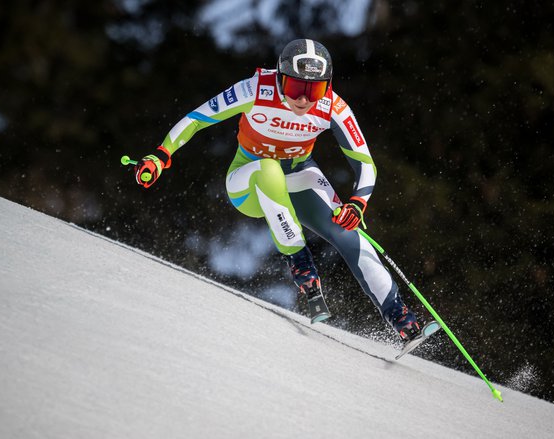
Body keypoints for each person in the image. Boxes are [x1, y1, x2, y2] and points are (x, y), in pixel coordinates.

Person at [133, 39, 423, 340]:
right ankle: (300, 262)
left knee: (349, 232)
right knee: (270, 168)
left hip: (299, 174)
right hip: (248, 183)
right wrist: (161, 154)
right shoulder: (256, 89)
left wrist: (358, 203)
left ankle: (401, 318)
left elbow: (365, 163)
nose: (304, 100)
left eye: (316, 90)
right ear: (281, 78)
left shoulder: (332, 106)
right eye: (298, 89)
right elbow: (196, 119)